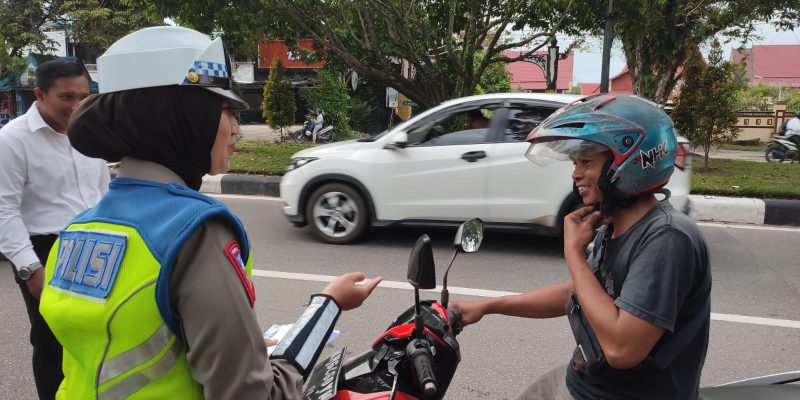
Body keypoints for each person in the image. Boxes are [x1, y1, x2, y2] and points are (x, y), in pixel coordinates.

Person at [38, 26, 382, 399]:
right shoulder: (193, 232)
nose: (236, 128)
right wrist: (326, 307)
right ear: (178, 115)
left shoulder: (80, 228)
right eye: (222, 109)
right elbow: (249, 394)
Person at [451, 94, 711, 400]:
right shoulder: (611, 225)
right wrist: (488, 306)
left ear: (628, 161)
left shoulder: (666, 239)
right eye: (575, 163)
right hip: (583, 381)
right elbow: (581, 293)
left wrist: (573, 253)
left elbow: (622, 350)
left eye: (586, 161)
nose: (575, 174)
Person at [0, 59, 109, 399]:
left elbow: (103, 192)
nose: (77, 105)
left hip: (97, 247)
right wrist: (30, 269)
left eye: (83, 95)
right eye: (66, 97)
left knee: (98, 337)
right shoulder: (13, 139)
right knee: (51, 341)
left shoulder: (91, 133)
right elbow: (4, 208)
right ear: (39, 94)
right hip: (45, 252)